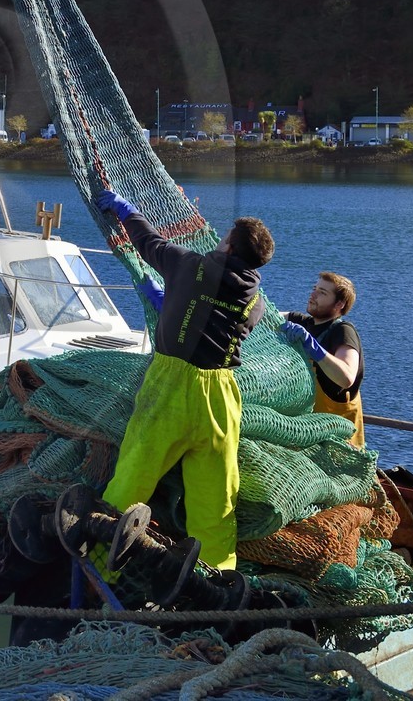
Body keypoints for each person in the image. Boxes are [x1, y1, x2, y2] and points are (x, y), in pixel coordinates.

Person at [93, 189, 275, 571]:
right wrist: (174, 304)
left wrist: (127, 211)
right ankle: (216, 580)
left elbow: (147, 242)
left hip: (172, 389)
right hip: (221, 399)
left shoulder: (188, 265)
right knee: (216, 499)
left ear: (227, 245)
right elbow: (219, 323)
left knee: (133, 475)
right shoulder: (255, 301)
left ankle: (99, 562)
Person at [281, 272, 365, 448]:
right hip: (304, 432)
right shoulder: (302, 323)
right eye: (314, 289)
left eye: (322, 293)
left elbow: (347, 377)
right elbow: (265, 313)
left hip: (337, 443)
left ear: (339, 304)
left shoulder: (343, 331)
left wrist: (316, 350)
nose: (313, 295)